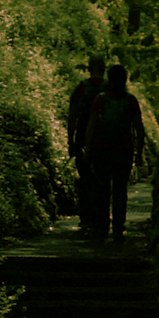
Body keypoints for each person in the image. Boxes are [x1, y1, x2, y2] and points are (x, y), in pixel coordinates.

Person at [85, 63, 148, 243]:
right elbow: (139, 128)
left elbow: (92, 125)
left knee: (102, 190)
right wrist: (139, 153)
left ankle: (102, 227)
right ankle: (118, 228)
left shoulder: (101, 99)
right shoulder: (130, 100)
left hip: (102, 149)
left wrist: (88, 149)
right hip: (123, 150)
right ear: (125, 79)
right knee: (120, 190)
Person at [65, 54, 107, 236]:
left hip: (82, 137)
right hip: (106, 140)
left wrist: (71, 140)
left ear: (89, 68)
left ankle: (85, 219)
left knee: (85, 180)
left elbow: (72, 117)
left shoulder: (81, 88)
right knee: (103, 180)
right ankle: (101, 219)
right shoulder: (111, 88)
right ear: (104, 69)